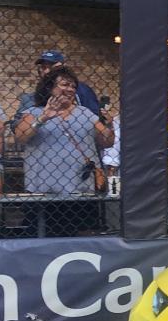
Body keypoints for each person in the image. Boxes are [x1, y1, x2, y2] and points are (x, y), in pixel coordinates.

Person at [11, 68, 114, 235]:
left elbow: (107, 142)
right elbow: (21, 136)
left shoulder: (86, 113)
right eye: (65, 84)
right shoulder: (32, 113)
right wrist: (43, 118)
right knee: (43, 235)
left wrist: (109, 125)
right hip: (44, 193)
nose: (70, 89)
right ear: (50, 87)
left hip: (81, 191)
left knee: (83, 236)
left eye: (73, 86)